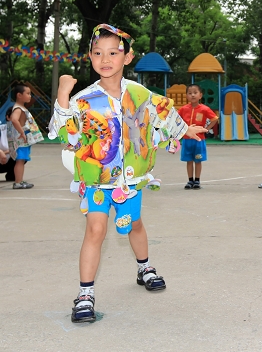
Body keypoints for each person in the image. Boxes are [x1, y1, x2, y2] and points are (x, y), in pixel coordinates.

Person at [48, 24, 206, 323]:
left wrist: (185, 130)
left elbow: (163, 114)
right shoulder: (83, 99)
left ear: (128, 57)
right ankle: (85, 294)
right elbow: (61, 134)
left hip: (130, 179)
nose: (104, 59)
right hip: (96, 179)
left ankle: (144, 266)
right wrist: (63, 97)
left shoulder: (139, 92)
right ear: (90, 58)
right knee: (96, 229)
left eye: (112, 52)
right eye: (97, 53)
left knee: (134, 224)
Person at [177, 84, 218, 190]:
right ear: (186, 96)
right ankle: (190, 180)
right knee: (189, 160)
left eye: (195, 93)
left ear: (200, 95)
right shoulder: (183, 109)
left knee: (198, 160)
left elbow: (214, 119)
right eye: (190, 93)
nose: (193, 95)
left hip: (199, 140)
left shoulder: (204, 109)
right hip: (186, 140)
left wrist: (207, 129)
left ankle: (197, 181)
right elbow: (176, 119)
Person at [6, 85, 43, 189]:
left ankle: (20, 181)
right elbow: (14, 119)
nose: (30, 96)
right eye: (28, 93)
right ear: (19, 95)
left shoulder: (21, 107)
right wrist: (22, 132)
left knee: (21, 160)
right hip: (22, 138)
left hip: (23, 138)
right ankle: (18, 182)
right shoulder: (18, 108)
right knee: (20, 160)